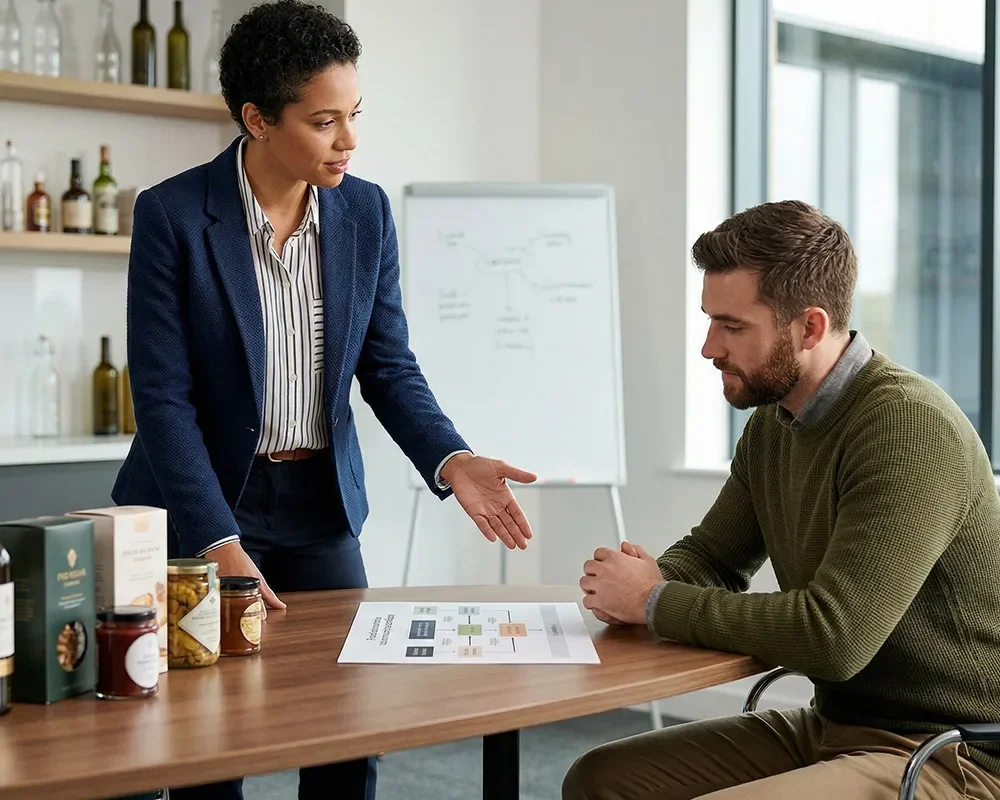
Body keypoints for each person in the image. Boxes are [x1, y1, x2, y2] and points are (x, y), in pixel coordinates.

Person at [112, 2, 536, 798]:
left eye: (355, 116)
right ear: (258, 119)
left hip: (319, 503)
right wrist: (215, 542)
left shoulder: (364, 213)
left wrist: (452, 459)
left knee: (347, 724)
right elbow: (162, 401)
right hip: (202, 500)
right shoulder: (172, 214)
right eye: (325, 121)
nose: (350, 140)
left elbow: (389, 365)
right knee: (209, 733)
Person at [565, 200, 1000, 800]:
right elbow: (715, 558)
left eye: (732, 326)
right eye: (710, 321)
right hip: (837, 726)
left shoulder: (906, 426)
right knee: (600, 779)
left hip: (955, 751)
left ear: (811, 327)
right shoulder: (774, 424)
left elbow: (835, 636)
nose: (709, 347)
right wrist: (641, 584)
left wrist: (657, 600)